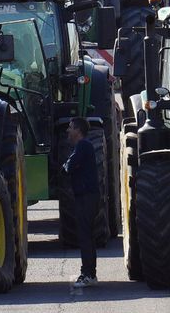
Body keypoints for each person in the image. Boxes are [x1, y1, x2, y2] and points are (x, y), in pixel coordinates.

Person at [63, 117, 99, 288]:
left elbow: (69, 166)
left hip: (86, 197)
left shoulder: (83, 146)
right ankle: (90, 273)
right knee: (87, 236)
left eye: (70, 127)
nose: (68, 131)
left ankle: (88, 274)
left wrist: (65, 166)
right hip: (87, 196)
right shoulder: (84, 146)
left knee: (85, 237)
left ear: (78, 130)